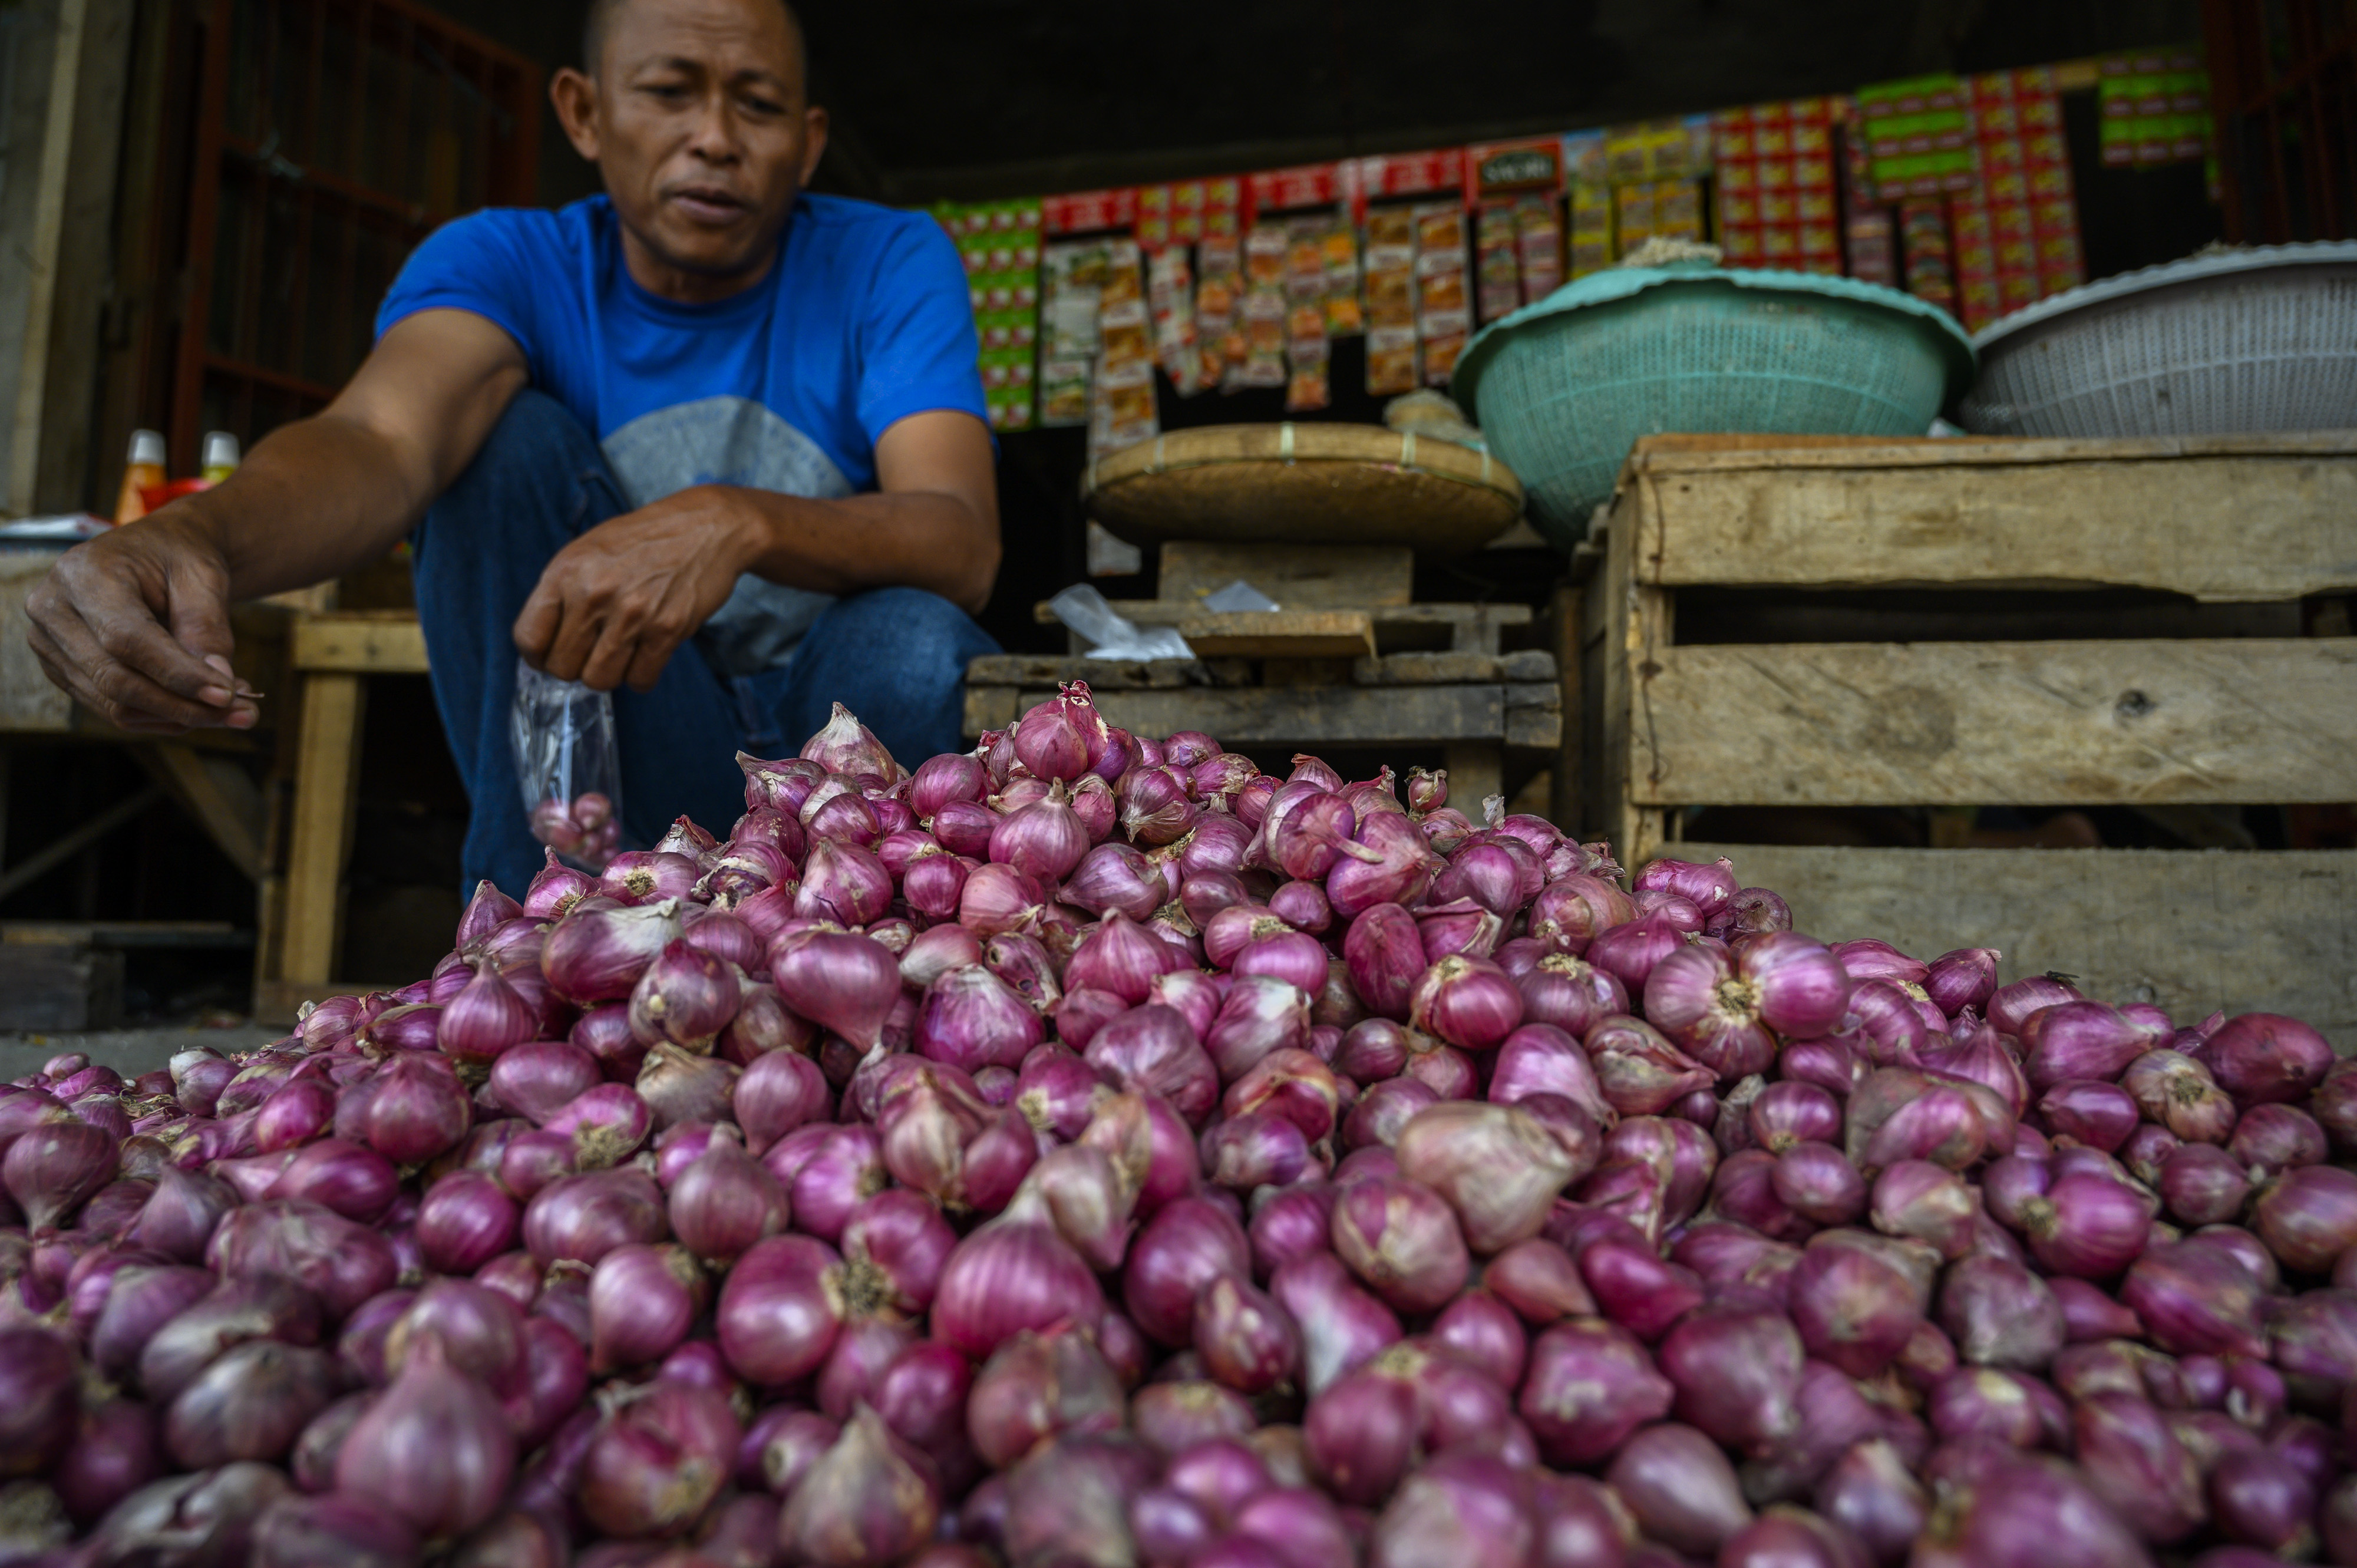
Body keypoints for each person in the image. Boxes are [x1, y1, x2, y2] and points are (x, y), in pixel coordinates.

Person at [25, 0, 1000, 896]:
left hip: (835, 765)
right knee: (501, 444)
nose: (714, 139)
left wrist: (733, 520)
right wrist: (196, 537)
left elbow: (961, 538)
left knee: (916, 639)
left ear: (810, 143)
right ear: (582, 113)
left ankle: (890, 934)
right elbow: (379, 440)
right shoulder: (507, 262)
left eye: (758, 106)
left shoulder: (887, 259)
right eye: (668, 93)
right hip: (627, 744)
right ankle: (538, 925)